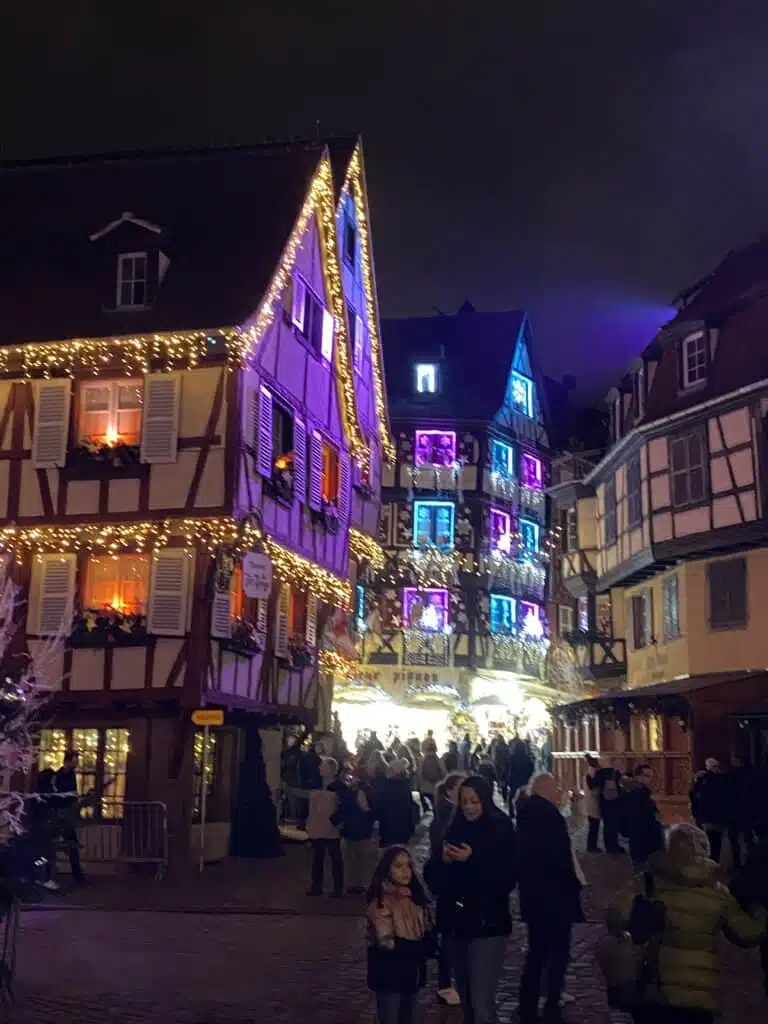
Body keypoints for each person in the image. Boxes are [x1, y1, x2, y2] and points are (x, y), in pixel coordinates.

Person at [607, 823, 766, 1024]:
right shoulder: (718, 892)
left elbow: (615, 914)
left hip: (655, 989)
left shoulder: (648, 881)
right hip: (700, 994)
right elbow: (746, 933)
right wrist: (760, 912)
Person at [427, 775, 517, 1024]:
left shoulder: (500, 828)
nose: (468, 806)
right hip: (457, 925)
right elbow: (434, 878)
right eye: (464, 801)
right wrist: (442, 863)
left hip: (488, 924)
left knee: (481, 1005)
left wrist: (473, 859)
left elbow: (506, 879)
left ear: (485, 800)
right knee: (467, 1001)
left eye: (474, 801)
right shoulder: (453, 828)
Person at [517, 773, 584, 1024]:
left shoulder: (533, 813)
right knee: (554, 954)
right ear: (545, 789)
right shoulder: (545, 816)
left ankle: (529, 1006)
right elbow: (557, 856)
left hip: (538, 899)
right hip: (553, 899)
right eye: (556, 786)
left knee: (538, 954)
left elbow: (573, 827)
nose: (559, 790)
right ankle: (548, 1006)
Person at [366, 845, 433, 1024]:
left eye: (409, 866)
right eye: (398, 866)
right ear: (387, 870)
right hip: (389, 974)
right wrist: (419, 948)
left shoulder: (416, 900)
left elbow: (425, 930)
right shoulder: (381, 902)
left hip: (411, 974)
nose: (405, 871)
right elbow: (386, 942)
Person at [425, 773, 464, 1007]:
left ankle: (450, 981)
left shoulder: (450, 816)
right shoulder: (445, 819)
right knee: (449, 936)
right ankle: (444, 984)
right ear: (449, 792)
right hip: (449, 883)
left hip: (453, 884)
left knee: (453, 934)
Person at [333, 767, 376, 894]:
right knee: (361, 858)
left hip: (354, 828)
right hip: (361, 829)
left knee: (354, 858)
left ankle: (356, 884)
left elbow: (364, 809)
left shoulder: (358, 791)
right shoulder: (368, 790)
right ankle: (360, 883)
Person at [306, 757, 345, 897]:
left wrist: (335, 820)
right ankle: (316, 886)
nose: (320, 768)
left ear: (331, 770)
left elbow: (345, 806)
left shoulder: (339, 787)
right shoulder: (316, 783)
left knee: (335, 857)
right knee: (317, 857)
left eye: (323, 766)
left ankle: (337, 888)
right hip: (318, 826)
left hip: (331, 828)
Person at [621, 762, 664, 870]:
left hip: (644, 837)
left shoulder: (642, 792)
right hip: (641, 838)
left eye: (650, 776)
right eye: (646, 776)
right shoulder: (635, 793)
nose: (649, 779)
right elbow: (638, 818)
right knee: (642, 870)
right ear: (638, 776)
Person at [54, 750, 85, 883]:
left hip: (67, 814)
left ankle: (77, 874)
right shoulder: (60, 776)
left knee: (72, 845)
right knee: (64, 844)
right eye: (75, 760)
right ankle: (75, 874)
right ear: (68, 761)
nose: (77, 763)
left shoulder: (70, 775)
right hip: (61, 813)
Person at [690, 758, 729, 863]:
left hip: (707, 816)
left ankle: (710, 860)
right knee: (715, 840)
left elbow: (694, 796)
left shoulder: (702, 780)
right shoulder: (720, 780)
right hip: (714, 816)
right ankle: (714, 860)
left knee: (709, 840)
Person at [377, 760, 417, 848]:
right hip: (404, 826)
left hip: (389, 826)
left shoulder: (387, 785)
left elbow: (381, 806)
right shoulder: (405, 784)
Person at [584, 755, 602, 853]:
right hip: (593, 803)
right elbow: (594, 788)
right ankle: (591, 846)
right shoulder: (592, 774)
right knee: (594, 826)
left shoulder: (589, 773)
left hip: (590, 803)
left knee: (593, 826)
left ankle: (592, 846)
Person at [420, 743, 445, 811]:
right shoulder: (437, 759)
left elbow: (421, 773)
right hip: (435, 786)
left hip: (426, 786)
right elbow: (443, 771)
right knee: (435, 807)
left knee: (427, 807)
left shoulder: (424, 760)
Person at [489, 734, 510, 802]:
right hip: (505, 766)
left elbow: (495, 758)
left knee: (500, 780)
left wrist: (494, 765)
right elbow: (508, 756)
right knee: (505, 780)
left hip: (498, 766)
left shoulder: (496, 747)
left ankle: (501, 791)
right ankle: (504, 794)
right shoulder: (506, 747)